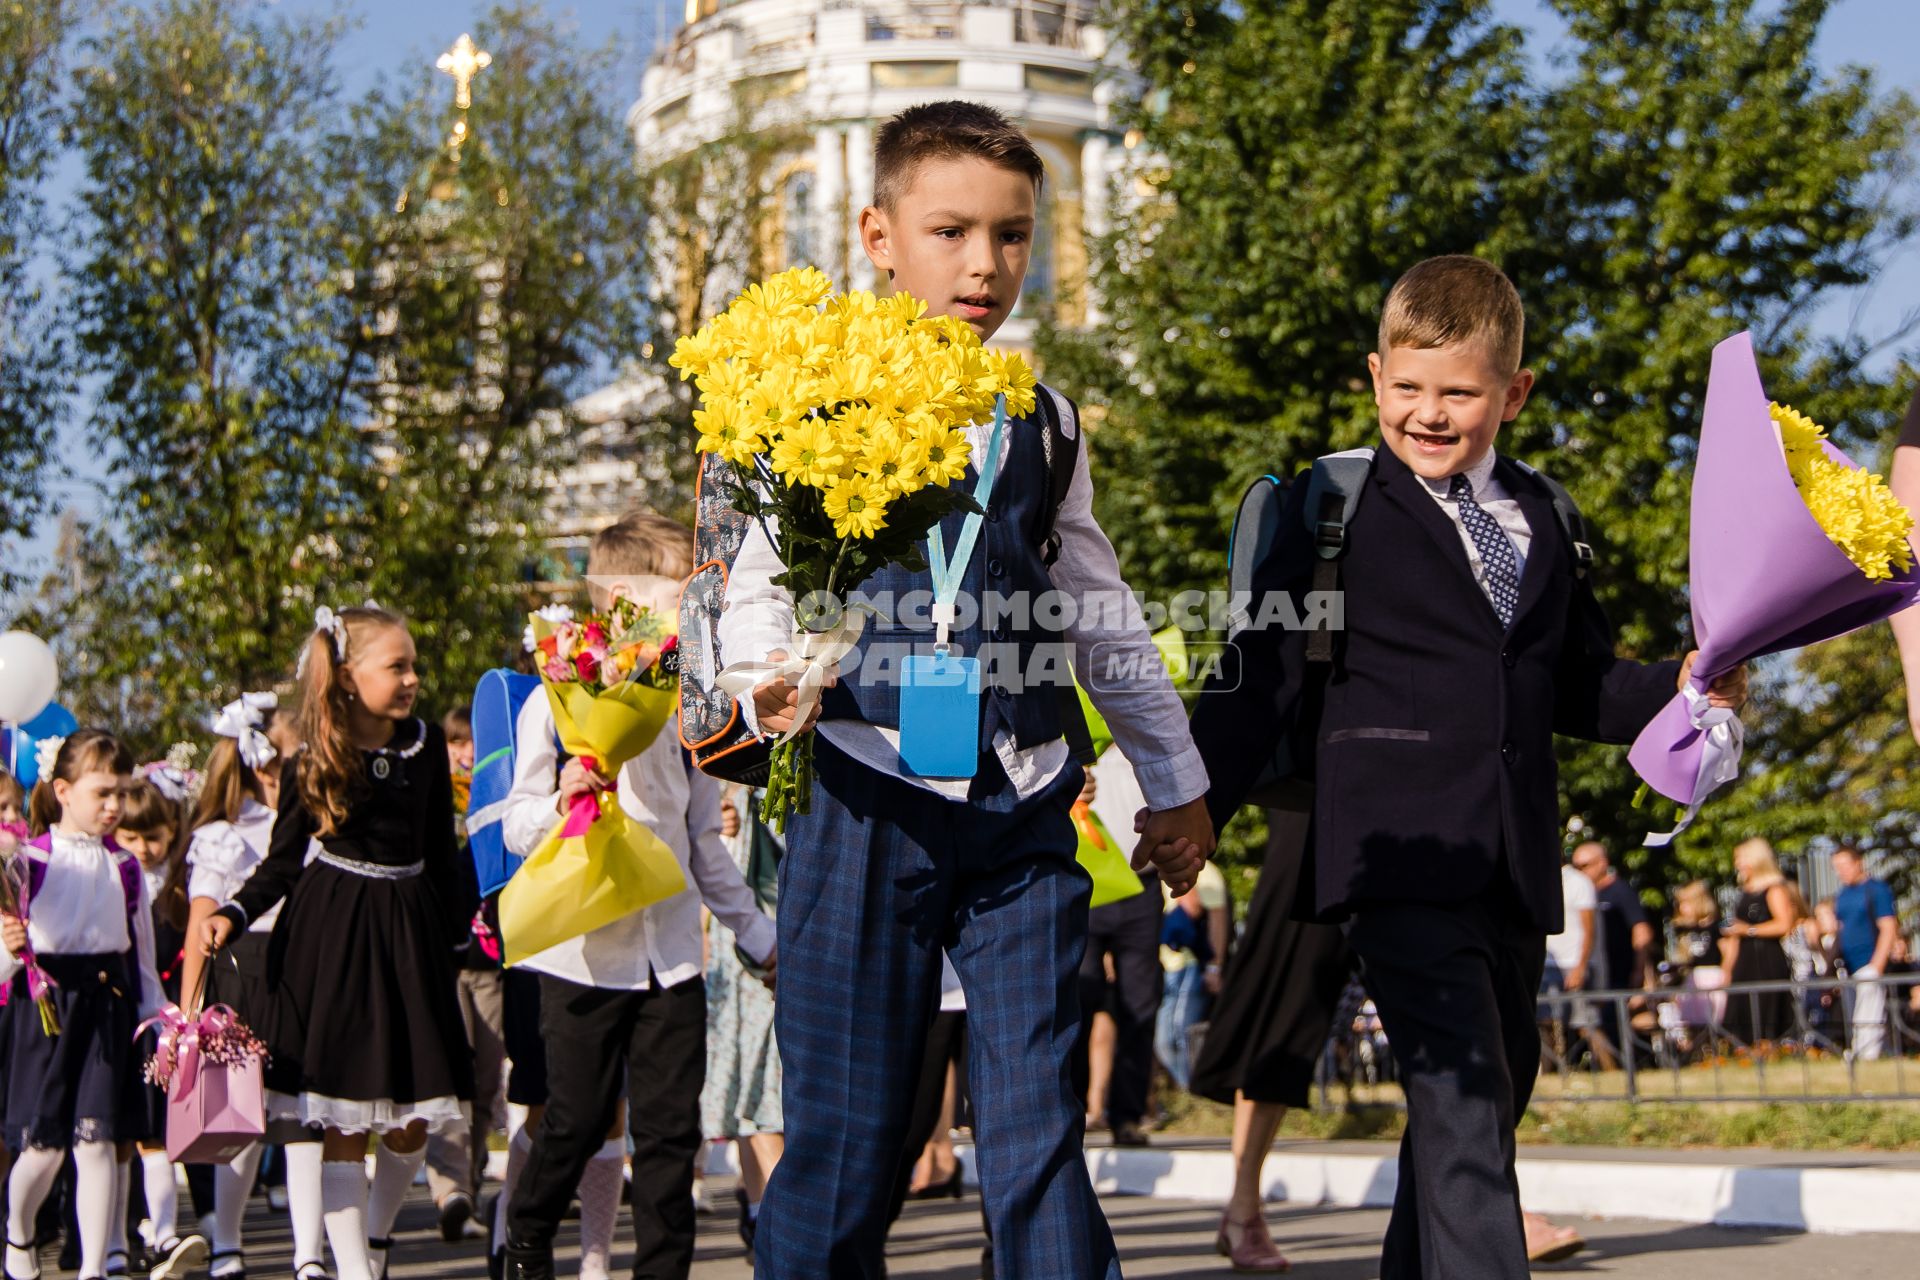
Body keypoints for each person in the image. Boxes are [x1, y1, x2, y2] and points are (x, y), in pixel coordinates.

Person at [1160, 254, 1746, 1280]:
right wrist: (1191, 796)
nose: (1430, 414)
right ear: (1377, 375)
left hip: (1512, 862)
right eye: (1410, 388)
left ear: (1513, 393)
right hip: (1394, 849)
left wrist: (1684, 681)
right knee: (1466, 1096)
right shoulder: (1329, 506)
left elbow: (1579, 686)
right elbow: (1258, 677)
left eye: (1460, 393)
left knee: (1471, 1114)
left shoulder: (1548, 517)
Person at [721, 100, 1208, 1280]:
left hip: (1026, 806)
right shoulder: (803, 396)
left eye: (1012, 234)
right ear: (878, 234)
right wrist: (758, 678)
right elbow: (747, 579)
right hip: (866, 796)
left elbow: (1100, 609)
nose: (985, 264)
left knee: (1040, 1121)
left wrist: (1177, 780)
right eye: (951, 231)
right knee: (846, 1135)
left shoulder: (1048, 421)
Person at [502, 513, 776, 1280]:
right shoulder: (550, 702)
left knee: (668, 1140)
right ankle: (526, 1233)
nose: (687, 606)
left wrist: (759, 938)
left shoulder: (680, 704)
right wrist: (561, 802)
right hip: (586, 956)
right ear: (619, 596)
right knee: (578, 1119)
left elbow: (702, 844)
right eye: (674, 590)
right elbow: (514, 824)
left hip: (672, 962)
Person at [201, 606, 476, 1280]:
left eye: (415, 664)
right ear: (348, 678)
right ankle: (352, 1269)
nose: (413, 678)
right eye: (397, 666)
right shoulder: (312, 754)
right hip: (337, 938)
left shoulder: (424, 745)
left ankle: (376, 1238)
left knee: (413, 1122)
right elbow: (282, 861)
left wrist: (458, 934)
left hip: (408, 934)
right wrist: (233, 915)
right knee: (345, 1121)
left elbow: (441, 852)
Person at [3, 731, 165, 1280]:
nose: (115, 806)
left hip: (106, 1008)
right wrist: (10, 947)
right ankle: (18, 1233)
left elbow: (140, 955)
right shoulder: (31, 861)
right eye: (102, 794)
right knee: (44, 1149)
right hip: (47, 1007)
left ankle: (94, 1267)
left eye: (121, 793)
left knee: (96, 1141)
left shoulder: (125, 868)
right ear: (64, 790)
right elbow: (8, 958)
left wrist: (158, 1021)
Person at [179, 695, 325, 1280]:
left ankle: (309, 1252)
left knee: (309, 1116)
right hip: (242, 975)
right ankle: (227, 1242)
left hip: (306, 973)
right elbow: (200, 926)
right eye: (273, 770)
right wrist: (189, 1014)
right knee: (239, 1118)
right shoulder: (222, 834)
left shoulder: (317, 827)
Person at [110, 779, 207, 1280]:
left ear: (172, 833)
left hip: (158, 1023)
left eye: (153, 838)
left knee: (157, 1136)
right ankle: (115, 1238)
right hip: (111, 1022)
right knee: (114, 1138)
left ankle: (165, 1231)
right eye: (131, 837)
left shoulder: (180, 887)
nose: (143, 849)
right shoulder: (112, 879)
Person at [425, 704, 502, 1245]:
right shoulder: (432, 802)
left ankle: (468, 1185)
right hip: (443, 963)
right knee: (451, 1081)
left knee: (484, 1083)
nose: (465, 753)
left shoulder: (497, 793)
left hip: (491, 960)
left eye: (472, 743)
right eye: (456, 744)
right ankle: (450, 1189)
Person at [700, 786, 784, 1261]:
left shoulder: (787, 753)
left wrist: (756, 812)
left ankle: (768, 1214)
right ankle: (761, 1213)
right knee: (753, 1095)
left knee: (774, 1090)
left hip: (785, 929)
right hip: (737, 954)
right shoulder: (706, 762)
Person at [1155, 857, 1229, 1093]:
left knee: (1180, 1036)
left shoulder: (1204, 870)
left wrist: (1215, 966)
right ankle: (1193, 1090)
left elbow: (1216, 918)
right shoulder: (1154, 866)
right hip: (1164, 966)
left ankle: (1196, 1091)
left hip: (1189, 965)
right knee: (1164, 1041)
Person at [1721, 838, 1802, 1049]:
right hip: (1744, 959)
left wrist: (1750, 930)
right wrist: (1728, 968)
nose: (1737, 864)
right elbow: (1735, 935)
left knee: (1768, 1008)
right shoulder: (1744, 893)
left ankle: (1772, 1047)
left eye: (1741, 858)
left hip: (1766, 958)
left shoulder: (1774, 889)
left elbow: (1784, 924)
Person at [1541, 853, 1613, 1069]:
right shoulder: (1543, 881)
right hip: (1548, 964)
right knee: (1545, 1022)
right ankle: (1551, 1073)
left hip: (1574, 962)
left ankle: (1614, 1072)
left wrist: (1581, 966)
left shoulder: (1579, 882)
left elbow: (1589, 930)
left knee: (1585, 1023)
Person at [1831, 846, 1898, 1060]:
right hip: (1848, 964)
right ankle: (1883, 1053)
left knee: (1869, 1010)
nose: (1841, 871)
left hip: (1870, 960)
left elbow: (1888, 927)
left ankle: (1865, 1055)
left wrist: (1877, 964)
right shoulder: (1842, 894)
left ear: (1858, 862)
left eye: (1844, 865)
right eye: (1836, 867)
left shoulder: (1876, 889)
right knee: (1858, 1010)